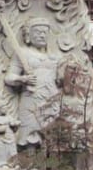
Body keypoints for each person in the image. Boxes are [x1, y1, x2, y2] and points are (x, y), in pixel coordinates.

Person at [4, 16, 63, 147]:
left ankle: (50, 159)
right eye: (37, 32)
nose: (42, 35)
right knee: (29, 135)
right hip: (31, 99)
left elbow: (62, 79)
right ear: (28, 35)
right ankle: (29, 159)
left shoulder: (55, 56)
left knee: (51, 135)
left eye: (44, 32)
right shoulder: (22, 53)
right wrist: (22, 79)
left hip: (52, 99)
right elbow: (8, 77)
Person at [0, 104, 20, 168]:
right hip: (0, 138)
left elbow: (14, 130)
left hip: (10, 137)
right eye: (3, 108)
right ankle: (2, 164)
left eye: (6, 107)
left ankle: (13, 163)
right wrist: (0, 129)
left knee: (12, 150)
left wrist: (15, 126)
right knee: (2, 152)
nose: (6, 109)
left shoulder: (9, 117)